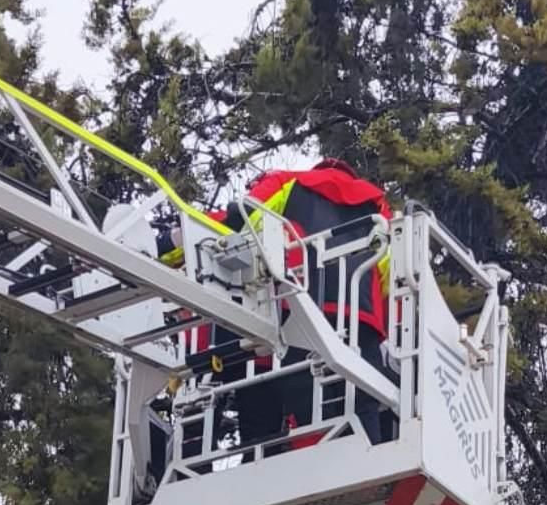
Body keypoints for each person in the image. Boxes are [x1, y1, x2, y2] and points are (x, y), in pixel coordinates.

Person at [160, 159, 396, 462]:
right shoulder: (378, 206)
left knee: (302, 396)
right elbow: (388, 270)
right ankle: (370, 466)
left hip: (303, 311)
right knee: (364, 400)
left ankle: (315, 468)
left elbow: (232, 222)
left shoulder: (289, 184)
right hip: (363, 319)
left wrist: (168, 243)